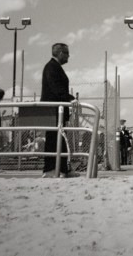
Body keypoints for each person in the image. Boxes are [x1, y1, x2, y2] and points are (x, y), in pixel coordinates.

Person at [41, 43, 78, 178]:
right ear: (61, 53)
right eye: (67, 53)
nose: (69, 56)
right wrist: (70, 98)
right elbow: (55, 88)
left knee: (59, 138)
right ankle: (51, 169)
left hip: (56, 110)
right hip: (53, 110)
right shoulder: (51, 67)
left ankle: (61, 169)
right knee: (53, 139)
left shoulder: (52, 67)